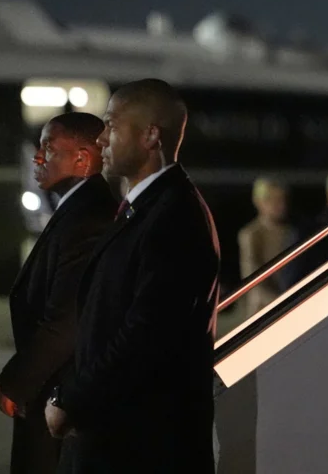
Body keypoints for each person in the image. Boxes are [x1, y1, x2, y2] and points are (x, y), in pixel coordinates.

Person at [45, 79, 221, 473]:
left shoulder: (172, 217)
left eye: (111, 125)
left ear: (150, 136)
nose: (101, 139)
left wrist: (71, 400)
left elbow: (144, 333)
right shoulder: (150, 209)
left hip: (140, 449)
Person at [0, 112, 116, 474]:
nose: (37, 158)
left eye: (48, 148)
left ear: (82, 159)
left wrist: (17, 382)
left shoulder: (88, 219)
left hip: (57, 396)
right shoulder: (78, 211)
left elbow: (67, 318)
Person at [236, 176, 294, 317]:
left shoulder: (293, 231)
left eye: (281, 199)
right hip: (263, 311)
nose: (278, 205)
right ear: (259, 202)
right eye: (271, 200)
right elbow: (253, 279)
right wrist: (281, 303)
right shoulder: (251, 234)